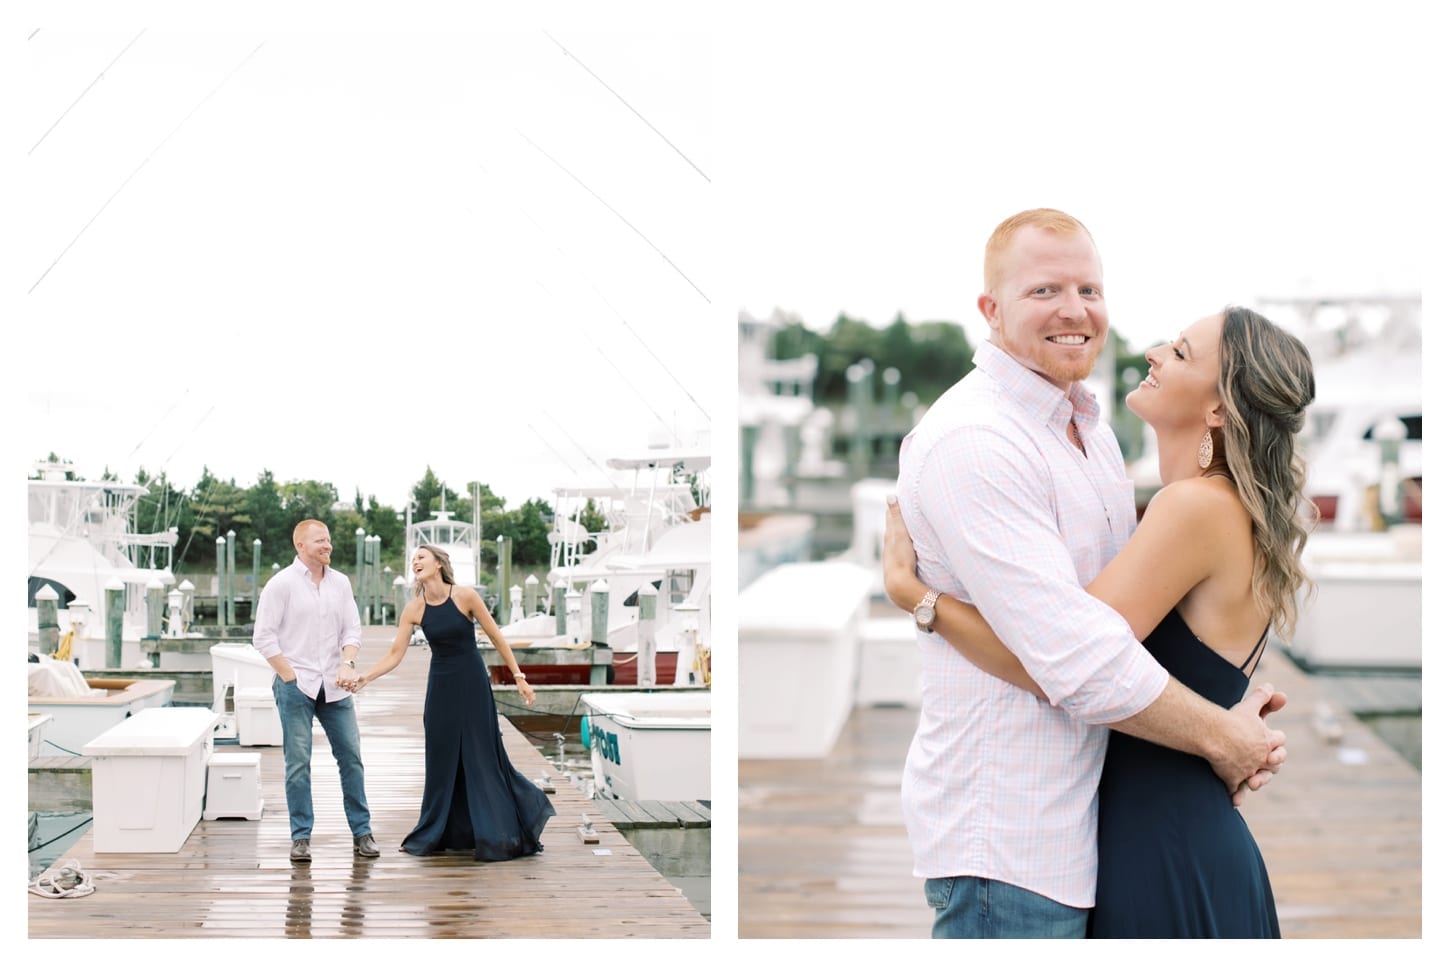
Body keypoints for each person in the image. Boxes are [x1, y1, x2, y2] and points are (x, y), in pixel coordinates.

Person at [890, 208, 1295, 938]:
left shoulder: (1117, 454)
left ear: (1217, 407)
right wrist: (1221, 730)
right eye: (1046, 290)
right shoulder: (979, 438)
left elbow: (1076, 654)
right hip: (1018, 844)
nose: (1077, 310)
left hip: (1137, 836)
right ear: (991, 308)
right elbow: (1077, 652)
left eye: (1089, 289)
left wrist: (919, 598)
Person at [348, 544, 556, 860]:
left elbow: (497, 636)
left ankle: (496, 831)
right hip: (441, 685)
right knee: (441, 756)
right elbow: (395, 654)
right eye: (413, 558)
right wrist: (366, 677)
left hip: (472, 682)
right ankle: (434, 831)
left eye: (421, 557)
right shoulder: (413, 609)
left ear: (438, 563)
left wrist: (519, 676)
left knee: (481, 753)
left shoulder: (465, 596)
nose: (415, 561)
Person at [252, 519, 377, 863]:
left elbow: (352, 631)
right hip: (297, 686)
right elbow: (263, 636)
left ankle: (362, 832)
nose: (327, 545)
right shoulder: (281, 585)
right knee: (298, 763)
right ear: (300, 546)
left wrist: (347, 663)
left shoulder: (340, 583)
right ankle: (301, 836)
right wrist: (288, 675)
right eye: (320, 540)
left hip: (336, 688)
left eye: (329, 540)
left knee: (351, 759)